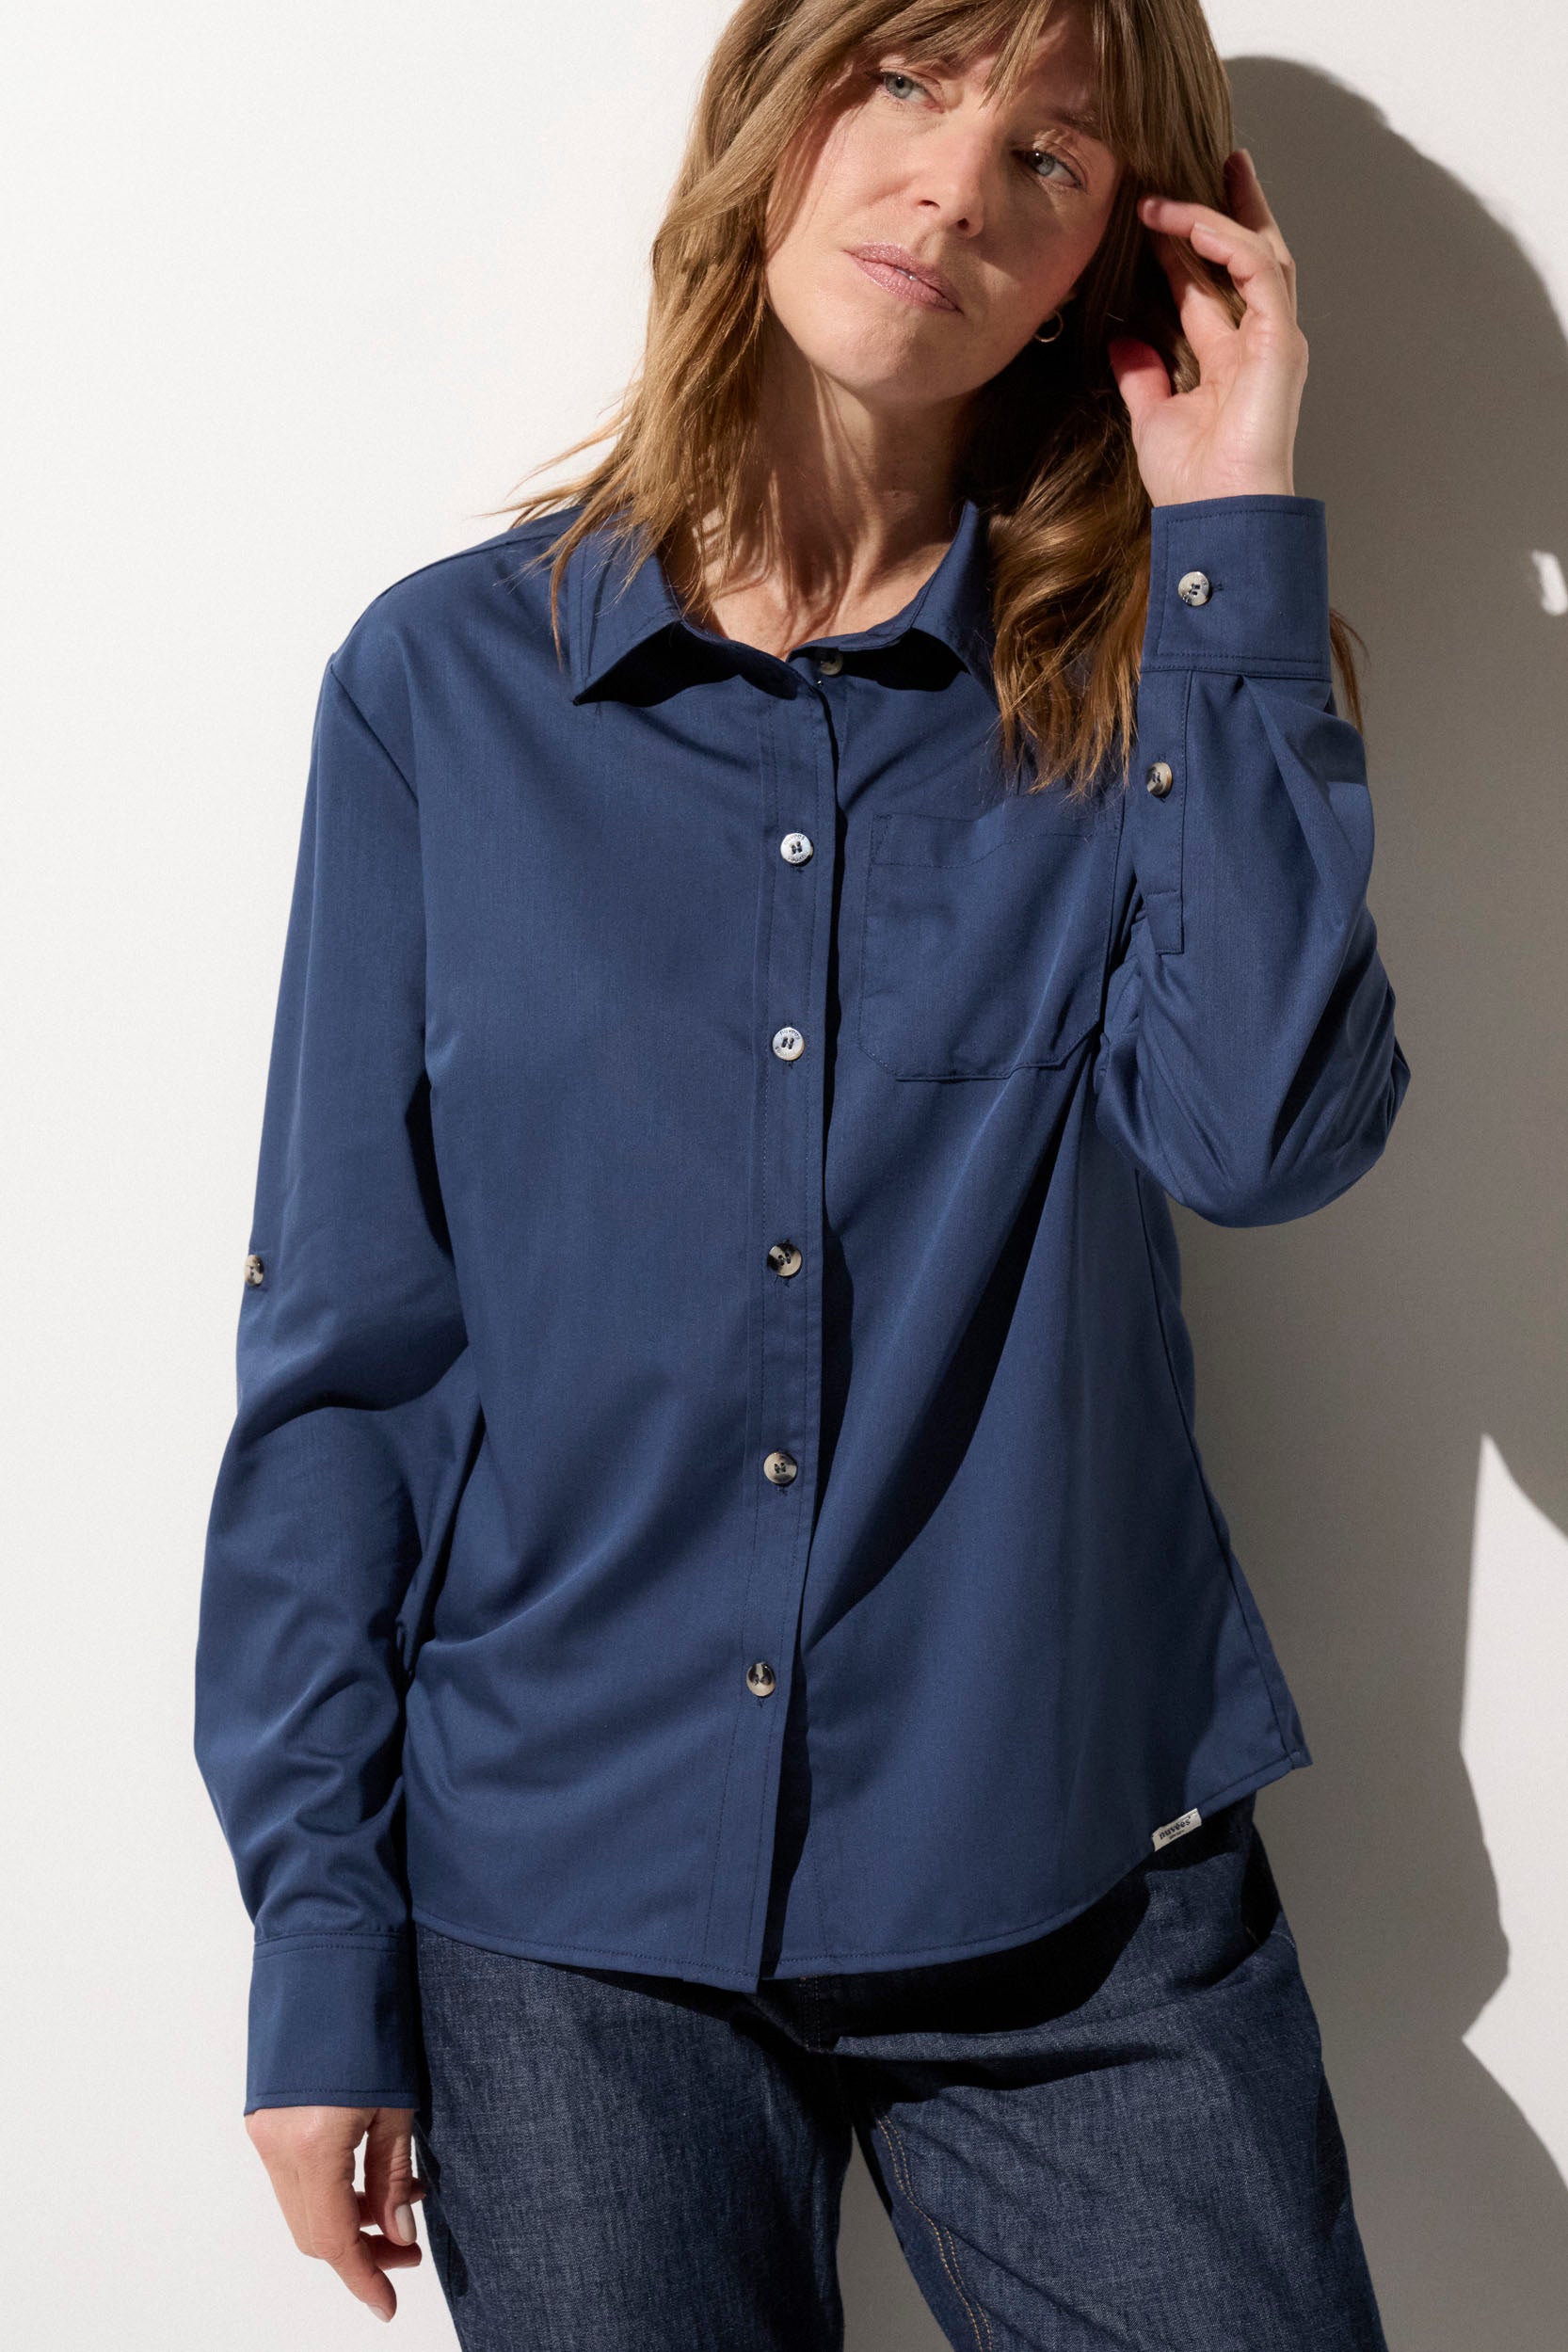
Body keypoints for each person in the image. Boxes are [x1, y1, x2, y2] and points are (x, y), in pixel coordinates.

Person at [194, 1, 1409, 2344]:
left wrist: (1232, 527)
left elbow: (1259, 1140)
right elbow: (351, 1345)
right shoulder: (444, 689)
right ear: (775, 109)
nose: (955, 184)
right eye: (909, 82)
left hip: (1070, 1874)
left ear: (1103, 267)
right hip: (566, 1914)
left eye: (1050, 158)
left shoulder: (1147, 682)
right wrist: (316, 1943)